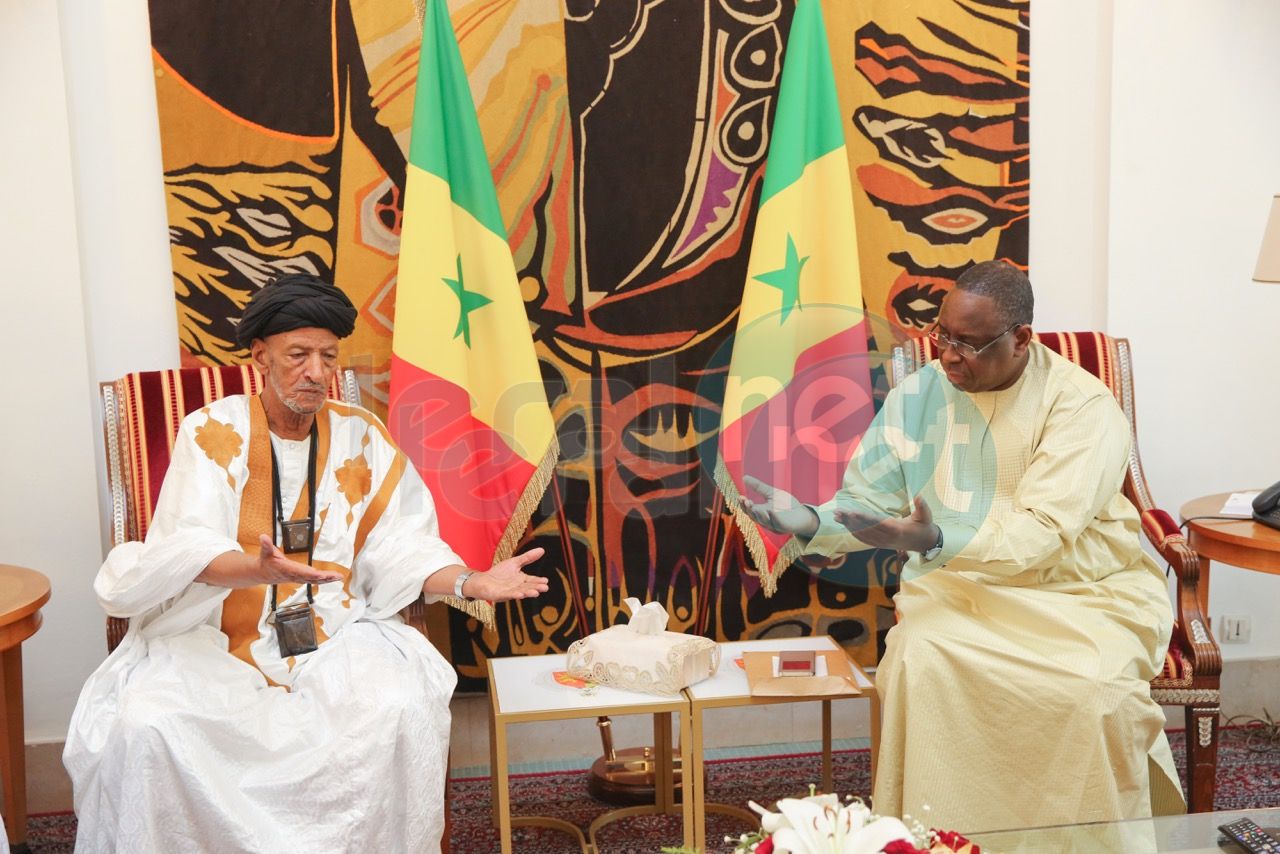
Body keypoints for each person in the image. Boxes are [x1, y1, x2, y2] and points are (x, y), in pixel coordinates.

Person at [64, 274, 549, 852]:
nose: (316, 372)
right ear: (261, 357)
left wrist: (472, 580)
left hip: (338, 633)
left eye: (327, 356)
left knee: (398, 708)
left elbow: (401, 546)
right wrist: (255, 570)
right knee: (150, 724)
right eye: (298, 355)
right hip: (214, 638)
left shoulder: (361, 436)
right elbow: (186, 546)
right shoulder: (211, 432)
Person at [739, 260, 1184, 832]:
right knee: (919, 659)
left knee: (1093, 693)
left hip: (1080, 593)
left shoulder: (1081, 408)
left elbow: (1041, 533)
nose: (948, 355)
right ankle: (938, 839)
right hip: (961, 589)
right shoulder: (919, 396)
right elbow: (867, 502)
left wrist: (937, 537)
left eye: (969, 344)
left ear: (1020, 339)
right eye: (942, 335)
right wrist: (805, 519)